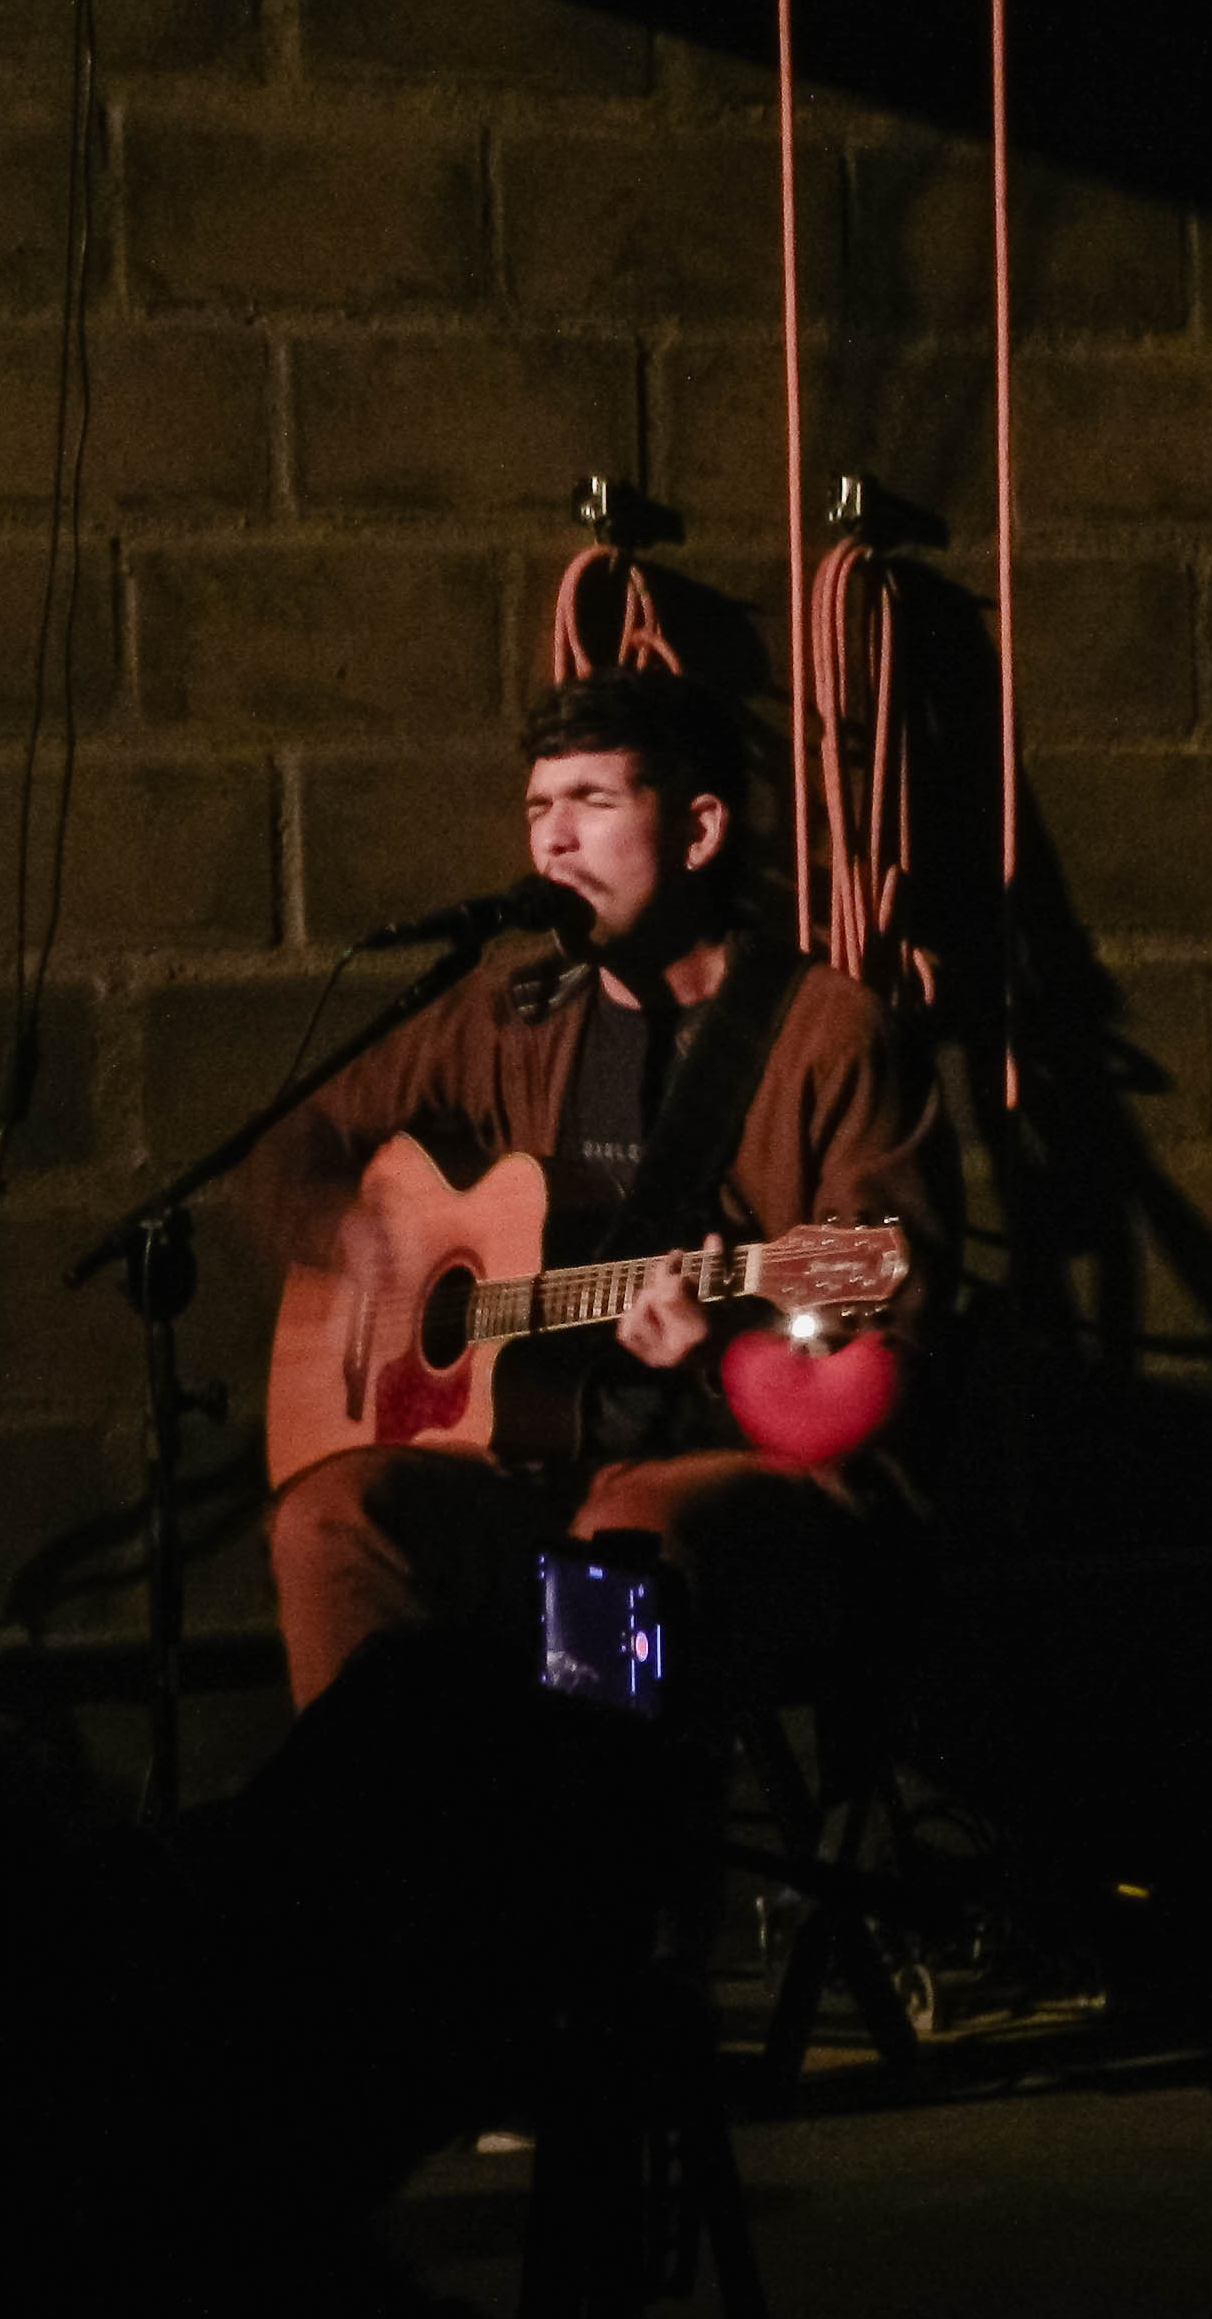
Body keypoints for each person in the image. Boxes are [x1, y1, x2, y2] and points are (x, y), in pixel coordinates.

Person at [248, 671, 958, 1711]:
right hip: (531, 1462)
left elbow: (887, 1329)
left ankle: (601, 1812)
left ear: (699, 830)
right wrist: (349, 1235)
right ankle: (375, 1806)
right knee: (331, 1517)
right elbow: (295, 1138)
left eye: (593, 800)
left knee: (620, 1548)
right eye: (539, 806)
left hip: (735, 1473)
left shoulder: (828, 1036)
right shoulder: (515, 1017)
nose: (554, 839)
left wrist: (726, 1347)